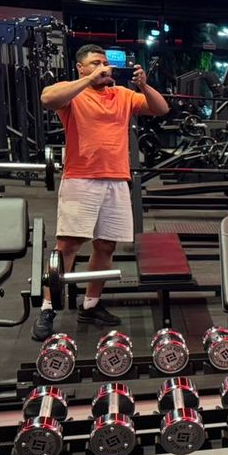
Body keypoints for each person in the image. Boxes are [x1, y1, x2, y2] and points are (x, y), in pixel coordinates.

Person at [31, 44, 169, 340]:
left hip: (116, 180)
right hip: (81, 178)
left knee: (106, 246)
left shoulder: (122, 95)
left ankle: (91, 304)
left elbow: (161, 109)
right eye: (95, 63)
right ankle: (47, 308)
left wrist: (144, 85)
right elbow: (47, 98)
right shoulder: (73, 92)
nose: (103, 67)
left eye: (105, 63)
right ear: (80, 67)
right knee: (68, 246)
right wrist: (89, 80)